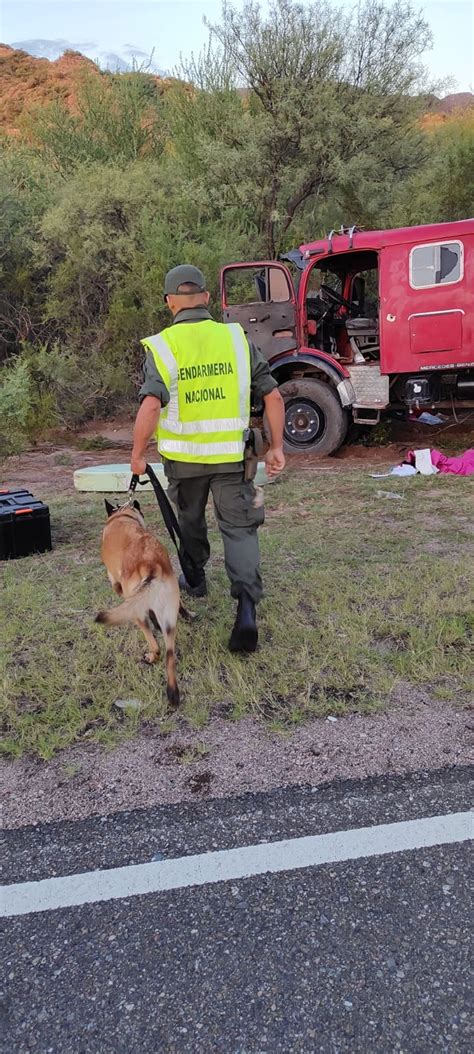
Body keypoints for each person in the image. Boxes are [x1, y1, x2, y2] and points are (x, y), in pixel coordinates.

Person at [130, 264, 285, 652]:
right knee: (240, 529)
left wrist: (136, 454)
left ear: (169, 303)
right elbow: (274, 396)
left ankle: (196, 578)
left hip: (184, 463)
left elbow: (151, 405)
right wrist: (278, 446)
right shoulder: (236, 338)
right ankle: (246, 608)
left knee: (190, 522)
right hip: (233, 458)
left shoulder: (162, 346)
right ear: (206, 298)